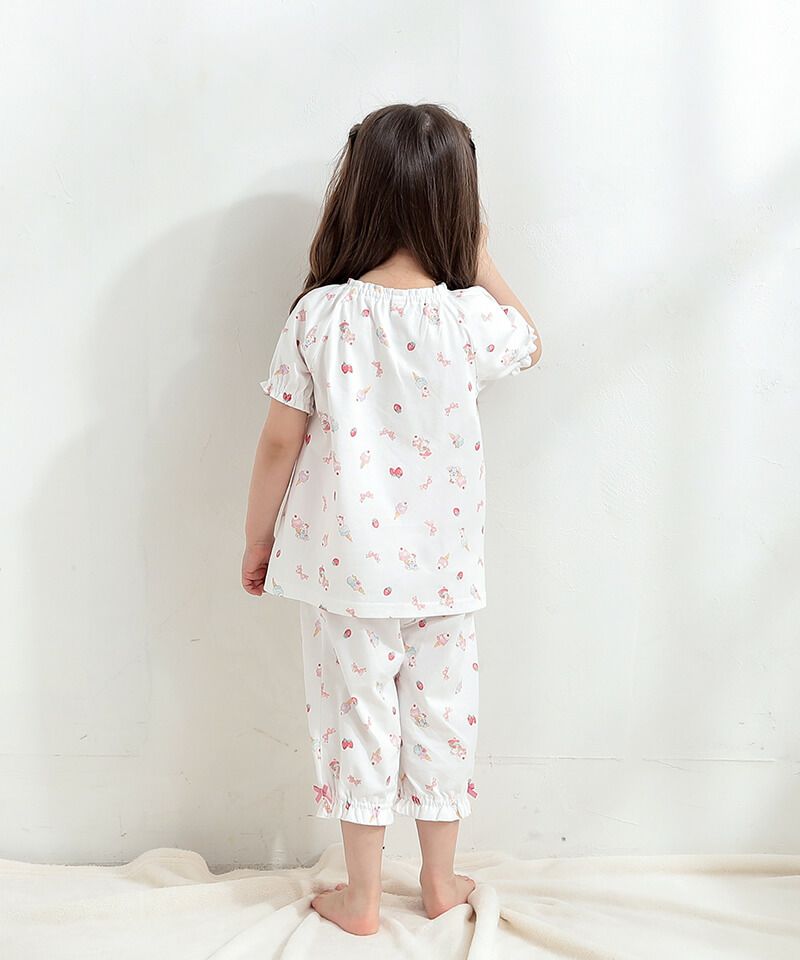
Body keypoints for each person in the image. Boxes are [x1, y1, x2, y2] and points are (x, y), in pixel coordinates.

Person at [242, 103, 542, 935]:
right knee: (443, 714)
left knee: (357, 720)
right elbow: (529, 340)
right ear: (456, 203)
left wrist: (259, 538)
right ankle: (440, 883)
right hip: (445, 568)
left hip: (346, 569)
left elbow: (278, 442)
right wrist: (481, 261)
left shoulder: (320, 315)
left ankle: (364, 896)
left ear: (359, 194)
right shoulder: (465, 316)